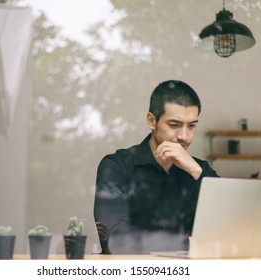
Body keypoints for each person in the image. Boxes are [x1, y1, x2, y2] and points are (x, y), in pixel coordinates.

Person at [93, 80, 219, 254]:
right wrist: (190, 245)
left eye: (192, 126)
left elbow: (228, 229)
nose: (184, 136)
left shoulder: (198, 170)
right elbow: (116, 238)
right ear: (152, 121)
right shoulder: (117, 166)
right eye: (174, 125)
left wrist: (198, 171)